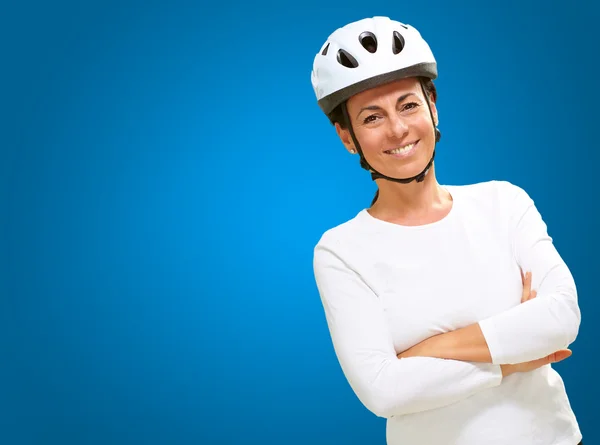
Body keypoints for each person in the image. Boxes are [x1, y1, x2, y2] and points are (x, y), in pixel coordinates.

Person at [311, 16, 583, 445]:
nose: (397, 129)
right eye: (372, 117)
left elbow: (561, 317)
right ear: (347, 136)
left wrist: (425, 352)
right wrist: (509, 359)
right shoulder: (341, 251)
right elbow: (383, 391)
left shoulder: (504, 203)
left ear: (432, 105)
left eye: (408, 105)